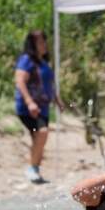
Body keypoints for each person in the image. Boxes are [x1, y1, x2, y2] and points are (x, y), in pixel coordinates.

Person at [14, 30, 64, 183]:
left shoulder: (43, 63)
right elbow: (20, 81)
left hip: (43, 108)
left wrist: (57, 100)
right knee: (41, 133)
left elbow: (49, 85)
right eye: (41, 42)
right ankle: (32, 168)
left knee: (38, 138)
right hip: (29, 109)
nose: (44, 45)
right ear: (33, 44)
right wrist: (29, 102)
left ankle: (35, 169)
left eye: (44, 41)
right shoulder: (26, 60)